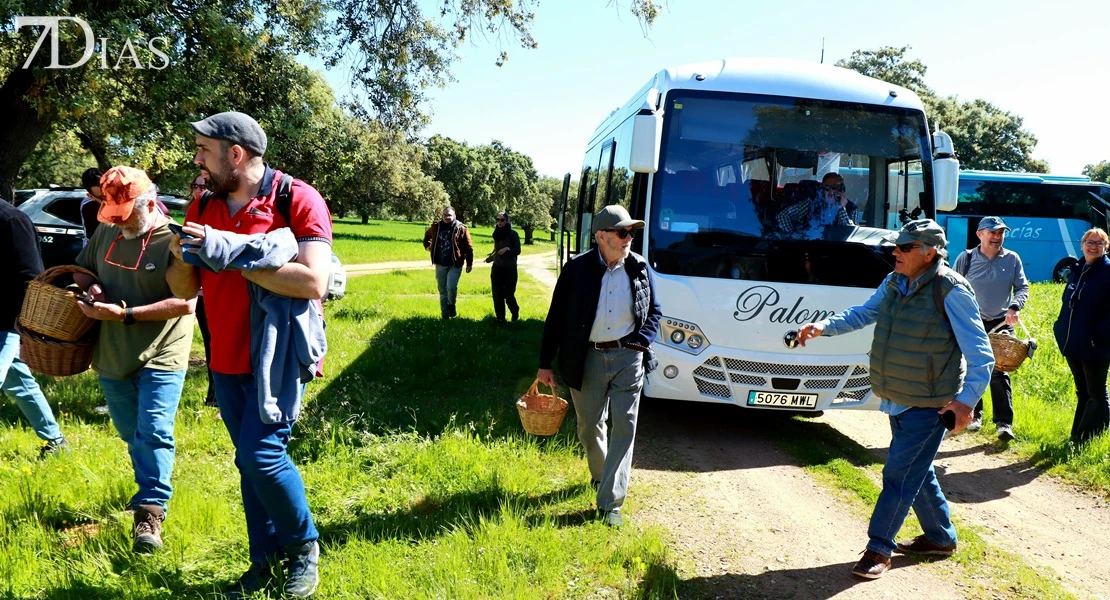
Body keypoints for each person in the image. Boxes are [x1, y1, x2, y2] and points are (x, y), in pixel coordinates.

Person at [166, 111, 331, 598]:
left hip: (277, 355)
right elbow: (185, 288)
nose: (196, 159)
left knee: (261, 456)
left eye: (203, 150)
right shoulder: (203, 204)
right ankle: (264, 560)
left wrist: (231, 253)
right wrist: (179, 255)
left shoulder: (296, 198)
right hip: (224, 355)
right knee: (248, 461)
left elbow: (313, 281)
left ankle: (303, 548)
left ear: (234, 154)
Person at [796, 219, 993, 580]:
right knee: (917, 469)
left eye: (904, 247)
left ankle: (879, 548)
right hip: (897, 396)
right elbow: (864, 313)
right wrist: (824, 327)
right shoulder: (893, 282)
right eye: (896, 246)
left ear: (928, 253)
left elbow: (982, 355)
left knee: (899, 474)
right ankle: (940, 537)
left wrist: (965, 403)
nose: (895, 252)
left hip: (931, 404)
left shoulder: (951, 289)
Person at [71, 166, 196, 553]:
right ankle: (148, 484)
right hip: (112, 353)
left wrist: (124, 314)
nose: (119, 224)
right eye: (112, 215)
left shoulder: (171, 239)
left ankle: (150, 513)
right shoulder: (106, 231)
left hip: (163, 351)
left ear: (147, 202)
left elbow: (185, 303)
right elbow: (80, 268)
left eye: (125, 216)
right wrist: (89, 285)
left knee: (154, 430)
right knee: (133, 434)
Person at [537, 205, 662, 528]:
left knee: (625, 427)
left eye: (631, 233)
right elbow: (556, 317)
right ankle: (601, 475)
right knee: (589, 425)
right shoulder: (576, 269)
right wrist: (544, 363)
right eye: (622, 233)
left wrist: (641, 341)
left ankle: (610, 503)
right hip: (586, 357)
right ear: (601, 236)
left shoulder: (639, 267)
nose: (628, 239)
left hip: (628, 357)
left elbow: (656, 313)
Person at [0, 195, 68, 457]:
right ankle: (56, 441)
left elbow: (31, 278)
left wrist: (23, 327)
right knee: (18, 381)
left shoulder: (13, 221)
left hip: (6, 321)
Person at [951, 216, 1029, 440]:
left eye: (1001, 233)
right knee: (970, 369)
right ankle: (974, 414)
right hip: (970, 322)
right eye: (992, 232)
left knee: (999, 372)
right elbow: (952, 288)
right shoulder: (965, 258)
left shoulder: (1012, 258)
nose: (997, 237)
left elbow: (1022, 287)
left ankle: (1004, 424)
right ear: (980, 234)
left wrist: (1015, 307)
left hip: (1000, 324)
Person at [1053, 227, 1110, 446]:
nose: (1093, 246)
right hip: (1073, 341)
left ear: (1106, 247)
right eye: (1090, 242)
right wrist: (1059, 328)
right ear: (1082, 244)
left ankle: (1088, 438)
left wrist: (1100, 335)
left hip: (1096, 344)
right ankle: (1077, 435)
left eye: (1099, 243)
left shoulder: (1107, 271)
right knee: (1083, 392)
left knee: (1096, 393)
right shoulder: (1077, 268)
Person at [187, 171, 217, 407]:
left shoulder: (220, 210)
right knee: (210, 344)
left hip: (223, 293)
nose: (199, 190)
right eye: (196, 186)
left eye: (204, 186)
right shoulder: (195, 210)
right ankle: (214, 397)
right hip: (202, 294)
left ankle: (223, 397)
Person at [423, 206, 473, 319]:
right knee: (442, 291)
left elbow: (469, 247)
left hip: (455, 264)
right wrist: (428, 247)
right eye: (445, 215)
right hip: (440, 263)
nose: (447, 217)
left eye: (449, 215)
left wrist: (469, 263)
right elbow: (426, 237)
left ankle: (451, 304)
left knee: (451, 287)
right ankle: (444, 316)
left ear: (454, 215)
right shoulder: (436, 226)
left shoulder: (461, 228)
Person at [776, 172, 853, 236]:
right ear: (822, 190)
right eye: (826, 188)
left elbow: (851, 234)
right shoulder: (812, 204)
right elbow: (782, 216)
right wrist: (793, 236)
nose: (831, 192)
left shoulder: (852, 208)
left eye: (835, 188)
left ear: (842, 190)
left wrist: (841, 208)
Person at [489, 211, 521, 323]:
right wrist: (492, 257)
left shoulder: (513, 234)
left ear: (507, 221)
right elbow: (497, 250)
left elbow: (518, 250)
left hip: (510, 268)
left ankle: (515, 311)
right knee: (497, 294)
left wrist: (508, 249)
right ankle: (500, 319)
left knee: (508, 294)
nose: (500, 222)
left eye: (502, 220)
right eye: (498, 220)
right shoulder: (496, 233)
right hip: (497, 267)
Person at [79, 167, 105, 244]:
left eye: (108, 192)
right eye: (102, 197)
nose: (109, 199)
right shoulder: (88, 206)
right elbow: (93, 239)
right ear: (91, 196)